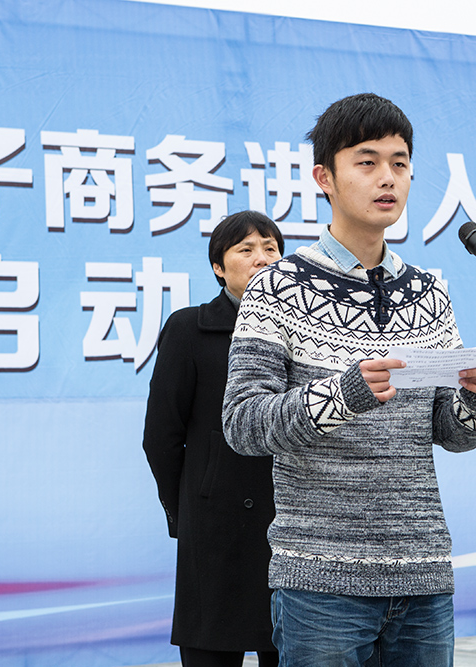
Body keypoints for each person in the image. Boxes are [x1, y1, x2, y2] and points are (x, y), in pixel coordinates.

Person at [222, 92, 476, 667]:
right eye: (367, 162)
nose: (388, 178)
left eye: (400, 163)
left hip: (423, 573)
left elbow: (451, 433)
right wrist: (341, 396)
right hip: (321, 580)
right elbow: (242, 423)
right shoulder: (276, 286)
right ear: (324, 177)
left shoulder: (429, 291)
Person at [143, 210, 284, 667]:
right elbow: (161, 436)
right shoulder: (189, 328)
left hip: (290, 525)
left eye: (271, 249)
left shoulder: (304, 334)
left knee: (289, 648)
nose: (262, 258)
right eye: (246, 249)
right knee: (211, 651)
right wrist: (188, 509)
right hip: (215, 527)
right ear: (219, 267)